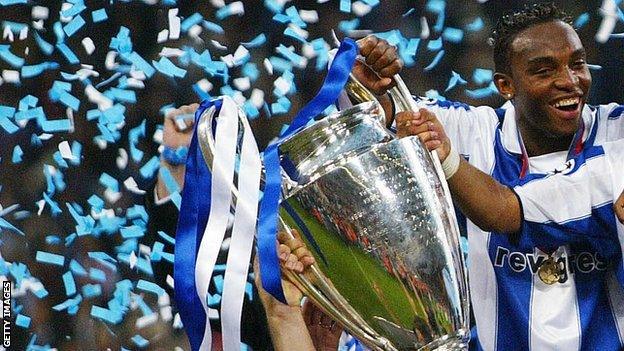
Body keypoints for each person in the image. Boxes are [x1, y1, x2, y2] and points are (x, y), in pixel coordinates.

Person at [390, 3, 624, 350]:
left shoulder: (616, 136)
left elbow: (500, 209)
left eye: (577, 64)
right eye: (544, 71)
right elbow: (390, 112)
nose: (569, 81)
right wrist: (376, 84)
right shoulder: (476, 133)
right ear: (505, 85)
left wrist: (444, 155)